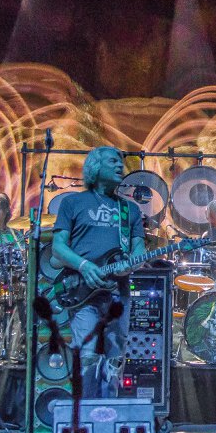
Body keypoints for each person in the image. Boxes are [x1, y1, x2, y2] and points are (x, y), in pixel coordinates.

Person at [47, 146, 144, 396]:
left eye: (121, 162)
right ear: (94, 167)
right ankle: (85, 416)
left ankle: (108, 414)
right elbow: (58, 248)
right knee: (87, 355)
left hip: (117, 292)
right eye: (112, 161)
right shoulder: (73, 202)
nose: (119, 166)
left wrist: (131, 264)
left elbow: (139, 250)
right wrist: (83, 265)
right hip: (81, 289)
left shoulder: (130, 210)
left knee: (116, 357)